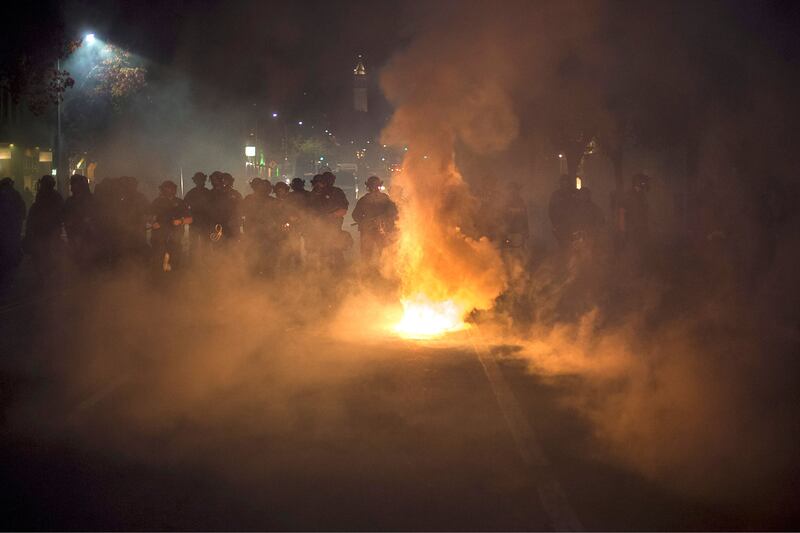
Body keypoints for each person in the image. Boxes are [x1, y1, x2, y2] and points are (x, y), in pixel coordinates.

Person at [352, 175, 397, 268]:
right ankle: (368, 271)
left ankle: (384, 270)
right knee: (368, 253)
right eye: (373, 186)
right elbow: (356, 215)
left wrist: (383, 218)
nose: (374, 188)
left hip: (382, 229)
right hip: (368, 230)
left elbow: (393, 212)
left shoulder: (385, 199)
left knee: (383, 252)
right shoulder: (364, 200)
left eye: (376, 186)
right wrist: (364, 221)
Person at [23, 175, 64, 276]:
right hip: (48, 232)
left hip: (44, 233)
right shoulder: (56, 197)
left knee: (44, 258)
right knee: (48, 258)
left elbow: (33, 217)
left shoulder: (43, 197)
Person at [310, 171, 349, 269]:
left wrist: (333, 215)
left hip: (334, 225)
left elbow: (344, 209)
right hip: (319, 226)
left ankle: (339, 269)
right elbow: (309, 208)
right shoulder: (316, 193)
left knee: (335, 248)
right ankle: (323, 269)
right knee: (321, 249)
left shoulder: (337, 192)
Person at [149, 180, 191, 272]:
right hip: (159, 237)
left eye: (170, 188)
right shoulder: (157, 202)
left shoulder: (180, 202)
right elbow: (149, 216)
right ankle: (158, 278)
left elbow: (190, 219)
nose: (168, 190)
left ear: (174, 190)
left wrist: (180, 221)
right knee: (158, 262)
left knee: (175, 262)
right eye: (165, 188)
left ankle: (175, 278)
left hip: (175, 237)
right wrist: (153, 222)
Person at [241, 178, 277, 274]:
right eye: (261, 187)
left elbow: (279, 216)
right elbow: (242, 212)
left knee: (267, 254)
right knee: (254, 253)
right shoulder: (249, 199)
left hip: (267, 233)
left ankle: (265, 273)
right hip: (253, 232)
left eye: (266, 188)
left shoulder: (272, 201)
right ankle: (255, 273)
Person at [62, 174, 97, 267]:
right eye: (71, 184)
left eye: (74, 184)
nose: (72, 187)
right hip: (73, 238)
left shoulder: (90, 200)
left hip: (87, 239)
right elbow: (65, 217)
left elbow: (94, 217)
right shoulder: (70, 201)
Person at [0, 178, 26, 288]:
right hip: (13, 229)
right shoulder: (16, 195)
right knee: (12, 250)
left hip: (3, 230)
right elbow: (23, 211)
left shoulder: (2, 195)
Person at [207, 171, 242, 246]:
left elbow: (241, 209)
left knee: (233, 246)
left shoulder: (234, 194)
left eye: (216, 180)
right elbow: (208, 210)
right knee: (218, 247)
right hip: (217, 226)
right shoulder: (210, 194)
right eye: (213, 180)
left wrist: (235, 221)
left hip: (231, 226)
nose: (214, 182)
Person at [184, 172, 212, 258]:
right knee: (193, 245)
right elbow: (184, 207)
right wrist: (189, 216)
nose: (200, 181)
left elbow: (214, 208)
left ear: (204, 180)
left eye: (201, 179)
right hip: (195, 223)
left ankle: (206, 262)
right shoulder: (191, 193)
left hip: (206, 223)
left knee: (206, 244)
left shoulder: (208, 193)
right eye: (198, 180)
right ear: (195, 181)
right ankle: (193, 263)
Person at [549, 174, 577, 246]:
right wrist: (555, 224)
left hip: (573, 224)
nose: (565, 184)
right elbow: (551, 210)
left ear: (569, 183)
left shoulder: (574, 193)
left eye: (566, 182)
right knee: (563, 244)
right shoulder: (556, 195)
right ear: (560, 184)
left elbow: (579, 208)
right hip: (560, 224)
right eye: (563, 182)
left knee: (574, 244)